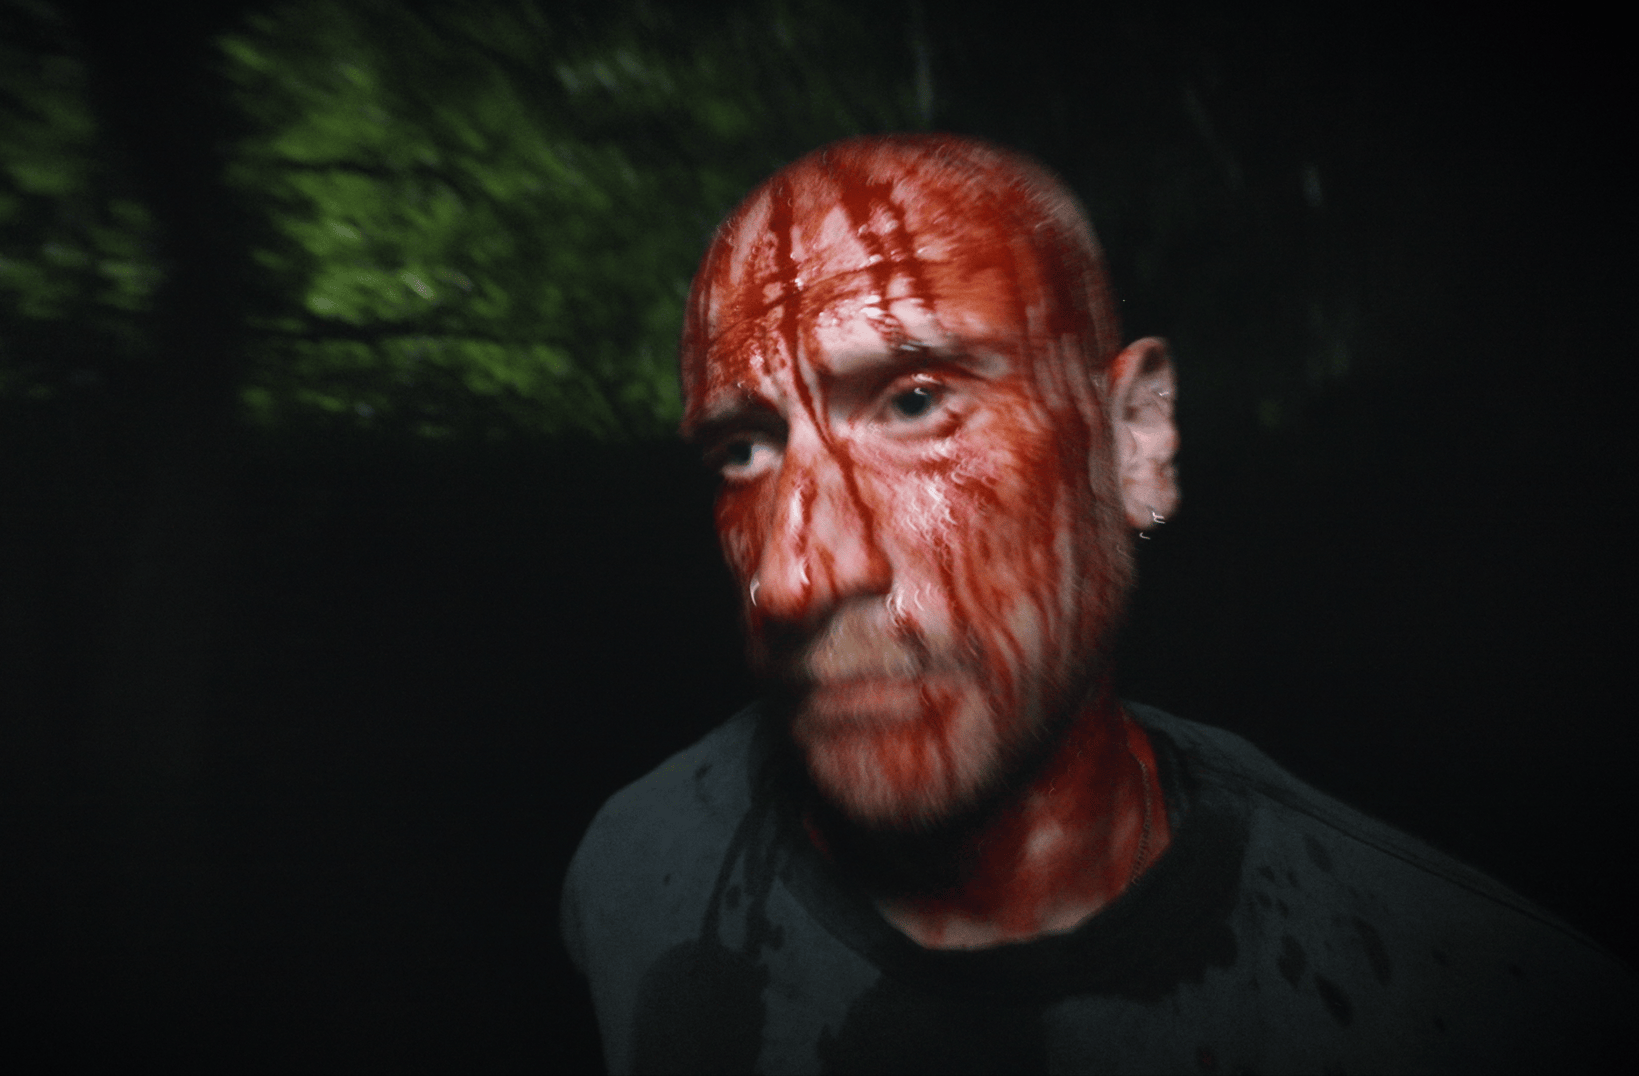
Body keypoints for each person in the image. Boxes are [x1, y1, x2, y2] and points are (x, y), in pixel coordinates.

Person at [560, 134, 1630, 1074]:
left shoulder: (1485, 1009)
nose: (796, 578)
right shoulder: (633, 872)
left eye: (917, 401)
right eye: (744, 450)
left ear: (1133, 442)